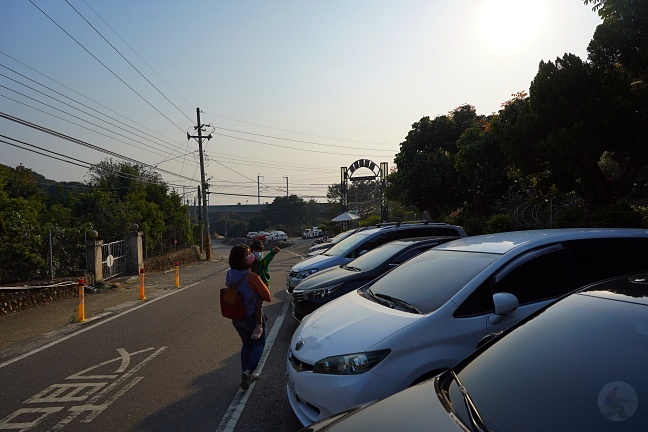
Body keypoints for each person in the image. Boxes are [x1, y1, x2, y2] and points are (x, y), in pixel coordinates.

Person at [226, 244, 271, 390]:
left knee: (246, 345)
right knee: (258, 344)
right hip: (253, 317)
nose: (251, 255)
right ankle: (249, 371)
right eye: (247, 254)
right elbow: (267, 295)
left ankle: (245, 373)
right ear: (242, 259)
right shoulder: (251, 277)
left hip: (237, 317)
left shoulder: (229, 274)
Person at [249, 240, 280, 339]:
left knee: (257, 304)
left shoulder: (263, 263)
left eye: (260, 251)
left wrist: (273, 251)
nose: (258, 253)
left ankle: (259, 325)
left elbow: (268, 257)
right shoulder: (250, 263)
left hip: (263, 287)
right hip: (253, 287)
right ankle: (261, 315)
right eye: (256, 250)